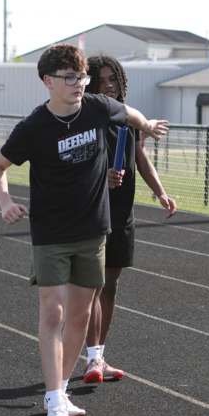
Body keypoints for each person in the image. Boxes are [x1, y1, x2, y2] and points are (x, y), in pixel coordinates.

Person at [0, 44, 168, 416]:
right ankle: (54, 401)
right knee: (53, 314)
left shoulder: (99, 108)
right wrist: (5, 202)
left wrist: (148, 125)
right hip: (51, 234)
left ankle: (62, 389)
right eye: (69, 78)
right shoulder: (34, 127)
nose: (79, 84)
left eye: (81, 77)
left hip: (93, 231)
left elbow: (131, 115)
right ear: (47, 81)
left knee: (80, 318)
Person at [82, 55, 177, 384]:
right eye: (101, 79)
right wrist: (101, 177)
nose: (108, 85)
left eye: (113, 79)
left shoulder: (129, 117)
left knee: (109, 285)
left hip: (122, 210)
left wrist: (160, 192)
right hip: (93, 208)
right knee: (92, 286)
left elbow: (139, 156)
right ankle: (92, 357)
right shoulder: (86, 116)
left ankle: (99, 355)